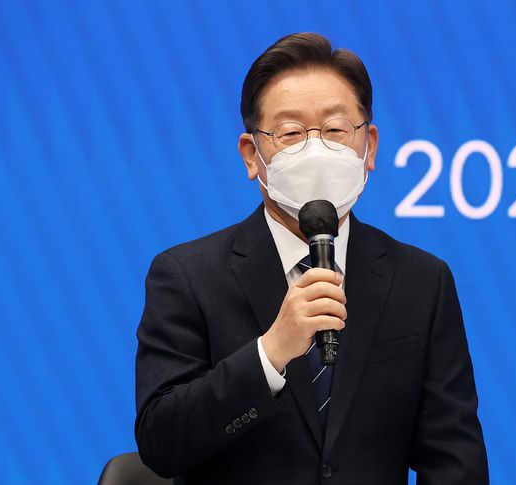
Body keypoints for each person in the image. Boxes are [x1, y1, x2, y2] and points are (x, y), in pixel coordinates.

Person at [135, 32, 488, 484]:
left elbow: (455, 460)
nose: (316, 150)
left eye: (336, 130)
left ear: (370, 146)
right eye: (291, 133)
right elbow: (161, 443)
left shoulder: (421, 281)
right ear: (252, 155)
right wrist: (271, 353)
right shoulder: (187, 276)